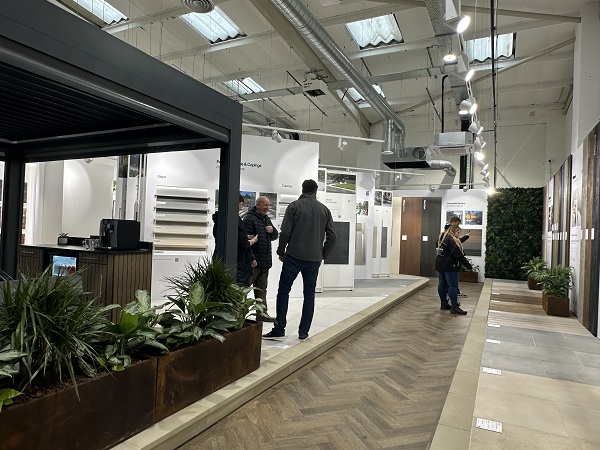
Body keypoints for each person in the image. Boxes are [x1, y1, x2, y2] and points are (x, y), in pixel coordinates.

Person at [263, 179, 336, 341]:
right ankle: (303, 332)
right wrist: (323, 254)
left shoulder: (295, 206)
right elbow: (332, 237)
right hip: (314, 260)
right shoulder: (325, 210)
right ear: (316, 191)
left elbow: (286, 232)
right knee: (309, 295)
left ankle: (279, 328)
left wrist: (281, 250)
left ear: (303, 189)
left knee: (283, 292)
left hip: (294, 257)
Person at [243, 196, 278, 322]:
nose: (267, 208)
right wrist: (251, 258)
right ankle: (240, 315)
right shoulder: (249, 219)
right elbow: (247, 242)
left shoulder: (266, 218)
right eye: (265, 205)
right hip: (254, 263)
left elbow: (275, 236)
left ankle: (262, 314)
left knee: (262, 290)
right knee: (245, 289)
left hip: (264, 262)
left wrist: (272, 230)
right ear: (258, 205)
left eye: (268, 205)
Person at [212, 194, 257, 286]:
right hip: (237, 262)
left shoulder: (220, 218)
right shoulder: (235, 219)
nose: (241, 207)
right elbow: (242, 243)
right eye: (241, 204)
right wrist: (253, 241)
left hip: (220, 258)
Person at [435, 224, 472, 315]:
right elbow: (457, 253)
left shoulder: (441, 238)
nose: (458, 234)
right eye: (458, 232)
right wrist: (467, 265)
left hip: (440, 265)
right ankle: (454, 307)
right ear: (453, 231)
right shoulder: (451, 240)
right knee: (453, 286)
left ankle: (444, 303)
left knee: (442, 284)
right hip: (450, 266)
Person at [441, 216, 470, 299]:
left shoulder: (445, 235)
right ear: (453, 223)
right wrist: (466, 264)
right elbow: (455, 249)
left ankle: (446, 302)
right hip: (450, 263)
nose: (458, 234)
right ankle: (453, 304)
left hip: (446, 263)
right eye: (457, 225)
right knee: (451, 284)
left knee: (445, 283)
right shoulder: (448, 236)